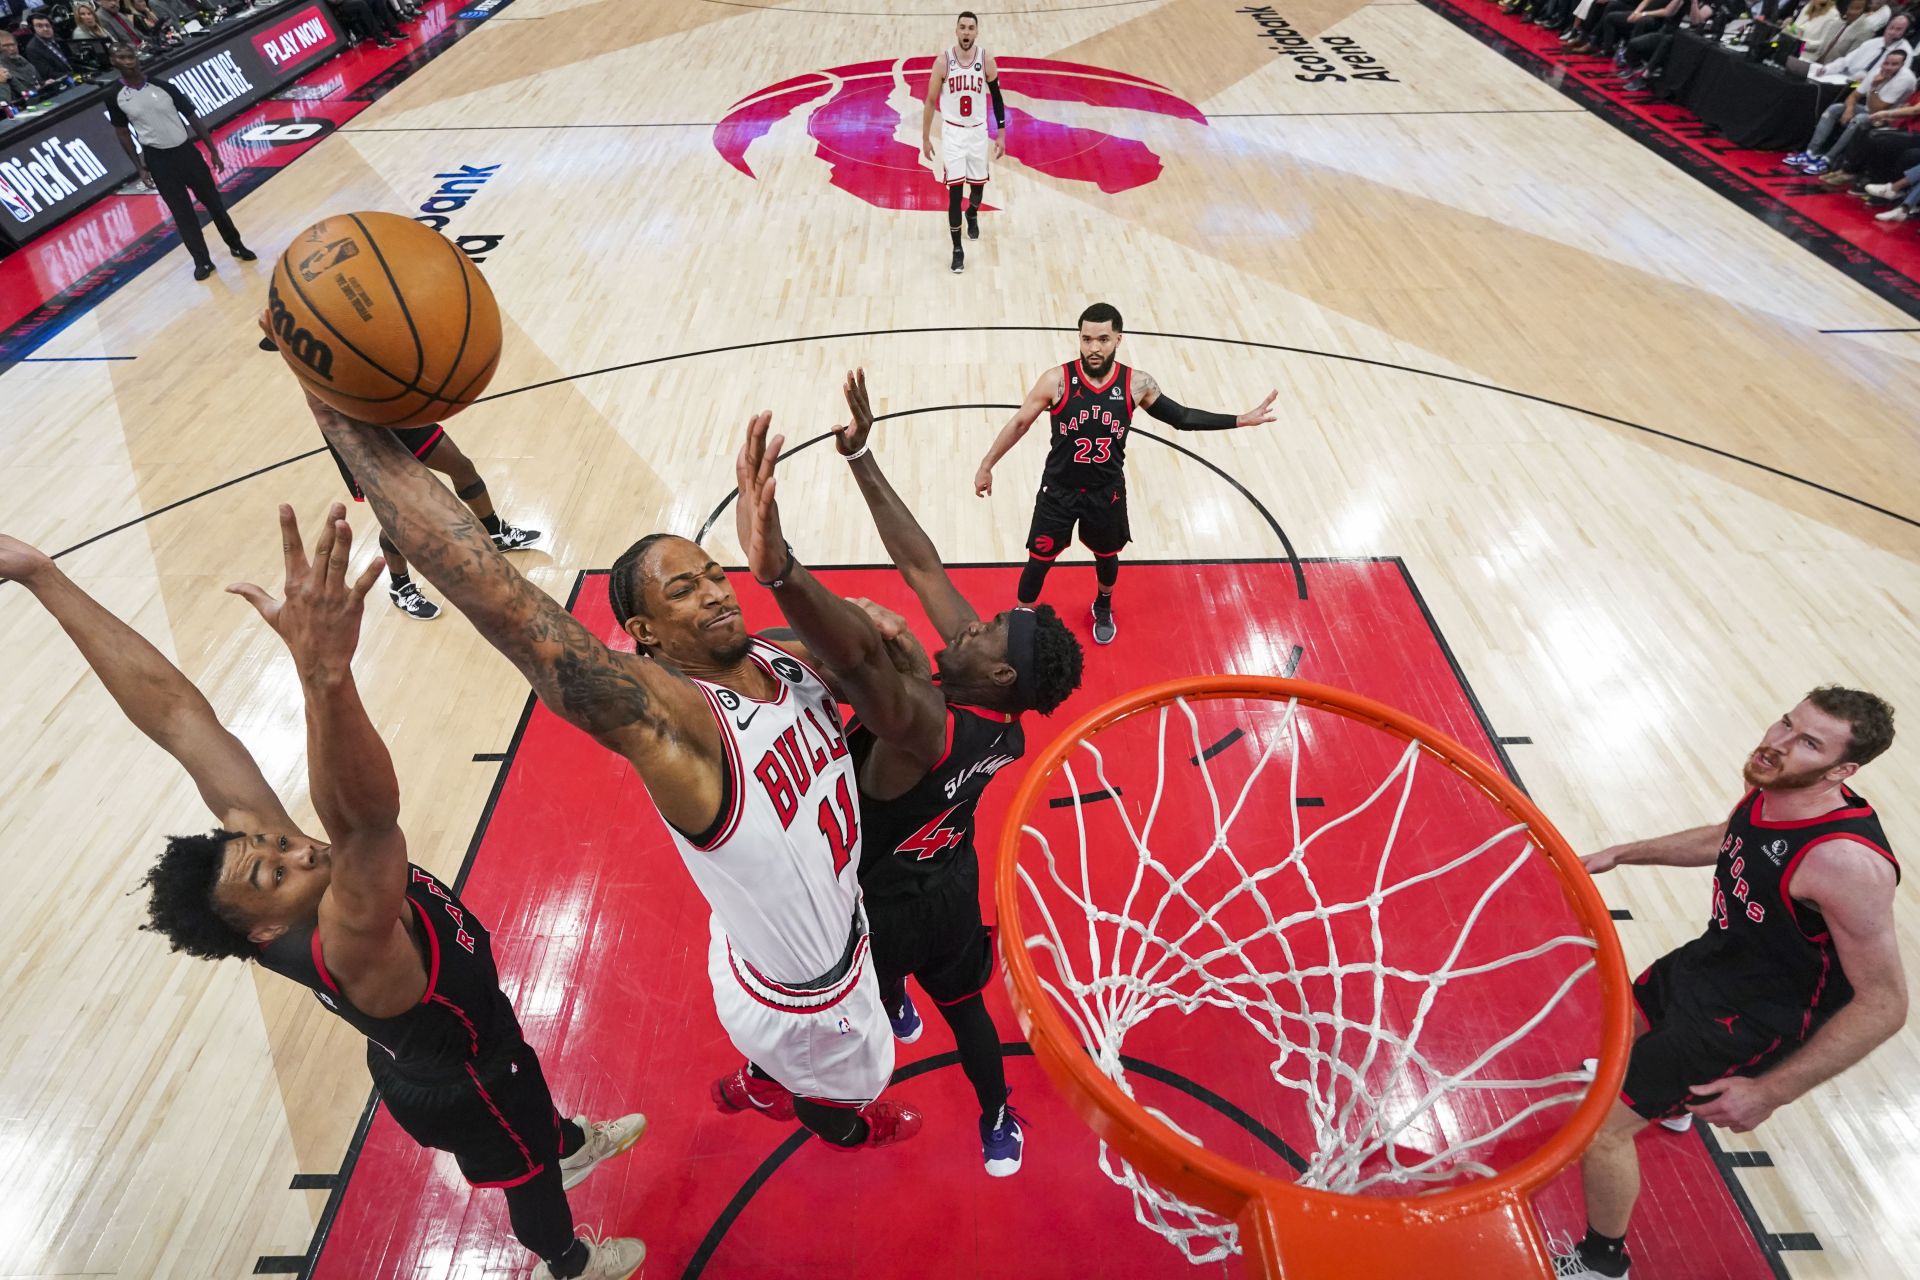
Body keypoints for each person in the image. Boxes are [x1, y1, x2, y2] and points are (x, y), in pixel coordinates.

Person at [0, 521, 648, 1280]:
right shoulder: (353, 932)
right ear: (268, 923)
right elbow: (368, 819)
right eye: (276, 868)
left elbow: (178, 717)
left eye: (270, 845)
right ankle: (567, 1261)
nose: (296, 848)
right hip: (469, 1080)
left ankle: (565, 1142)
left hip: (448, 1048)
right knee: (527, 1172)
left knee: (533, 1117)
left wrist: (43, 575)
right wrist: (323, 675)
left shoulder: (268, 901)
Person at [302, 391, 921, 1153]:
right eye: (682, 590)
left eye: (712, 573)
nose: (715, 591)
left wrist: (860, 616)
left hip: (774, 941)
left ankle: (760, 1077)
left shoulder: (777, 655)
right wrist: (341, 417)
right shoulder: (675, 725)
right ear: (642, 633)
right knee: (850, 1092)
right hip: (810, 998)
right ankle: (833, 1116)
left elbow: (873, 660)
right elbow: (498, 598)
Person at [734, 368, 1085, 1174]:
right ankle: (999, 1118)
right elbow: (923, 568)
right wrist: (862, 459)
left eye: (992, 628)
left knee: (845, 1019)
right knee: (967, 1012)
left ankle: (783, 1071)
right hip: (951, 877)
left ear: (1000, 673)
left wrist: (780, 570)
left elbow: (854, 658)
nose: (975, 622)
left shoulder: (926, 718)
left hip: (875, 903)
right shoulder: (997, 708)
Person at [1557, 689, 1905, 1280]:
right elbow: (1728, 837)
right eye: (1787, 723)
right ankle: (1672, 1107)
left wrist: (1772, 1092)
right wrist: (1624, 853)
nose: (1779, 743)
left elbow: (1885, 1004)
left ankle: (1601, 1261)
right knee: (1627, 1026)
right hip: (1715, 958)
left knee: (1600, 1131)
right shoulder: (1776, 782)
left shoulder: (1847, 863)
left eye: (1808, 742)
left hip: (1753, 1018)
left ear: (1843, 771)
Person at [973, 302, 1278, 645]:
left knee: (1107, 556)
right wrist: (987, 464)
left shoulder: (1137, 384)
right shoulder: (1057, 380)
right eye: (1087, 339)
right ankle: (1022, 620)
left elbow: (1182, 417)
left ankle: (1103, 604)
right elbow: (1019, 423)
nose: (1094, 347)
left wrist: (1238, 419)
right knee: (1038, 560)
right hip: (1058, 491)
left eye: (1103, 339)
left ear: (1119, 338)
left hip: (1106, 492)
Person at [257, 335, 547, 620]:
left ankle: (496, 532)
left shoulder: (343, 334)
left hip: (397, 418)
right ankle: (400, 587)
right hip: (362, 439)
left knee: (462, 467)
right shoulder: (312, 369)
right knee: (397, 517)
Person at [104, 45, 256, 281]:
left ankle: (236, 245)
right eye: (122, 57)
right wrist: (140, 167)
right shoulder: (114, 96)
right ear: (113, 61)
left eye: (131, 56)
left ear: (137, 58)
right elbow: (122, 133)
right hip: (158, 159)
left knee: (214, 203)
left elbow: (192, 116)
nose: (128, 61)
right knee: (182, 213)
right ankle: (202, 262)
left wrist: (212, 149)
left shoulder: (164, 87)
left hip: (186, 152)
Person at [920, 9, 1004, 274]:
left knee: (977, 190)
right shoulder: (943, 62)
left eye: (971, 28)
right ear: (956, 31)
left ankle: (973, 212)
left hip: (978, 133)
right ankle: (957, 249)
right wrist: (925, 137)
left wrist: (1001, 133)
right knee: (954, 193)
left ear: (976, 32)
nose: (966, 32)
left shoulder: (986, 59)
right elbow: (931, 101)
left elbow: (998, 98)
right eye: (962, 27)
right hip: (954, 134)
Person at [1783, 42, 1914, 175]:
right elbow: (1854, 95)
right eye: (1886, 63)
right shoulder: (1877, 71)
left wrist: (1875, 87)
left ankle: (1828, 160)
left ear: (1902, 66)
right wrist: (1848, 109)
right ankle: (1810, 152)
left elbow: (1878, 109)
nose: (1888, 67)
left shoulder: (1905, 79)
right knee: (1834, 109)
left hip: (1887, 117)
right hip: (1869, 109)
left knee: (1859, 119)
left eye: (1894, 64)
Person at [21, 15, 76, 82]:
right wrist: (74, 75)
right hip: (63, 81)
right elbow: (48, 74)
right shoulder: (32, 49)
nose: (45, 29)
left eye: (47, 25)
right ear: (33, 29)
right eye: (40, 26)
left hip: (75, 74)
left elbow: (71, 59)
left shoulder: (57, 39)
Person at [0, 33, 45, 100]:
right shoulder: (2, 72)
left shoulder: (22, 60)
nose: (12, 48)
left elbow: (37, 81)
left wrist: (44, 84)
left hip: (41, 98)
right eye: (6, 46)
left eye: (13, 44)